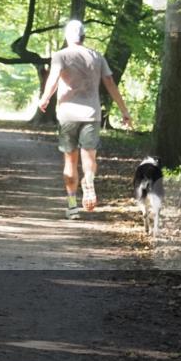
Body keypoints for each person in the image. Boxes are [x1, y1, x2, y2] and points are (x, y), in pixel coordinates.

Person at [38, 19, 133, 218]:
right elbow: (110, 83)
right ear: (84, 36)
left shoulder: (61, 56)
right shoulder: (97, 57)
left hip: (67, 114)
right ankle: (88, 179)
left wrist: (45, 99)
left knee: (70, 161)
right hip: (92, 114)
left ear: (67, 36)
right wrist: (124, 110)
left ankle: (72, 205)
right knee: (89, 157)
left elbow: (54, 79)